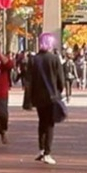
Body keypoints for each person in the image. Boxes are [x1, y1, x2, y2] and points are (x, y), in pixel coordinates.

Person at [29, 33, 65, 165]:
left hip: (38, 96)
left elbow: (30, 79)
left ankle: (41, 149)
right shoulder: (54, 59)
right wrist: (59, 90)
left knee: (41, 122)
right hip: (51, 96)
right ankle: (47, 153)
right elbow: (61, 80)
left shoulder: (34, 59)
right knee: (50, 124)